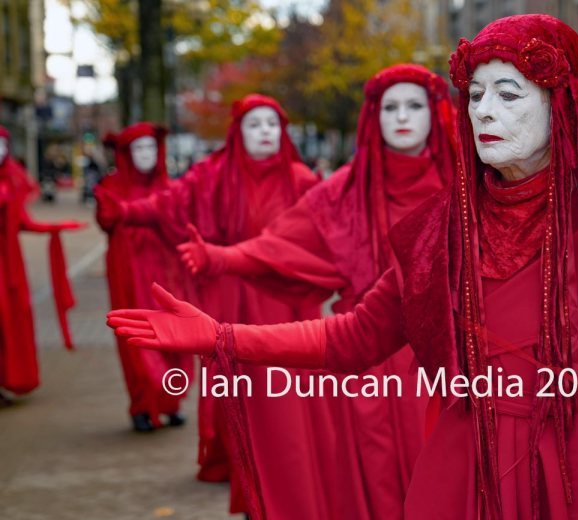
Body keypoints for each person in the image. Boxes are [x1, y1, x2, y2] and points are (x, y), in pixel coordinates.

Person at [109, 15, 578, 519]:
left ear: (563, 106)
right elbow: (353, 337)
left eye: (509, 94)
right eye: (476, 94)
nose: (484, 110)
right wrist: (222, 337)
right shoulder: (444, 234)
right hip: (473, 475)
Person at [177, 64, 458, 518]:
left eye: (414, 105)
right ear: (374, 117)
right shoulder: (345, 192)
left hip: (450, 358)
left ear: (436, 112)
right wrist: (219, 258)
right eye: (390, 108)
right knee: (377, 484)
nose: (402, 117)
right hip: (370, 359)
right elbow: (284, 245)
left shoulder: (469, 183)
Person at [96, 95, 320, 516]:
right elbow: (170, 202)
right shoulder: (214, 174)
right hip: (231, 296)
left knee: (286, 395)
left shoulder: (302, 179)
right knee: (240, 388)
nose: (265, 132)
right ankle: (245, 472)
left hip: (285, 301)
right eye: (254, 124)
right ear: (238, 133)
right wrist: (125, 211)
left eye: (273, 123)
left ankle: (288, 474)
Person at [96, 123, 195, 432]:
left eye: (151, 147)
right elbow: (106, 218)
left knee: (173, 336)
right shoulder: (111, 187)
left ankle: (171, 403)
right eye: (139, 148)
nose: (146, 154)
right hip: (130, 274)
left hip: (167, 275)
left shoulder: (170, 187)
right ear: (126, 154)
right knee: (137, 337)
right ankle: (142, 404)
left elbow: (182, 226)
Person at [0, 125, 82, 404]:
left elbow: (22, 221)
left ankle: (7, 377)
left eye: (2, 145)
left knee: (10, 319)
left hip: (9, 264)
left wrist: (55, 228)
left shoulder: (11, 180)